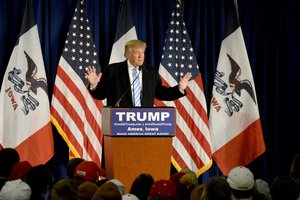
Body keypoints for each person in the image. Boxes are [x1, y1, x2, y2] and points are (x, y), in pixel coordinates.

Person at [86, 39, 192, 107]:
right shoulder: (113, 70)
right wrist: (94, 85)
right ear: (127, 54)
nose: (141, 56)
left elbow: (160, 93)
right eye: (137, 53)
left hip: (144, 124)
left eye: (142, 52)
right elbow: (101, 95)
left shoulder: (151, 72)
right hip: (120, 124)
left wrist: (179, 89)